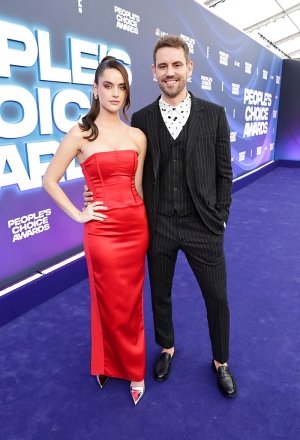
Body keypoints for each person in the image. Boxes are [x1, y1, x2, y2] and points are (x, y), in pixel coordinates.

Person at [85, 35, 237, 397]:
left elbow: (224, 173)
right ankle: (166, 347)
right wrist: (95, 189)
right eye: (163, 66)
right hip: (158, 224)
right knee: (160, 294)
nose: (171, 73)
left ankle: (221, 361)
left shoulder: (214, 115)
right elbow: (122, 167)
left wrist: (222, 217)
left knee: (217, 297)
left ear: (189, 68)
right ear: (153, 72)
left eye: (177, 65)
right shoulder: (141, 120)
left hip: (204, 225)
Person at [43, 56, 148, 406]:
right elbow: (49, 180)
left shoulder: (137, 136)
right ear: (95, 88)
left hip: (135, 227)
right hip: (101, 232)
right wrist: (79, 213)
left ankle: (134, 368)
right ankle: (105, 362)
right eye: (108, 85)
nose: (115, 93)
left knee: (131, 302)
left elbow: (137, 187)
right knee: (105, 300)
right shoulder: (81, 133)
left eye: (121, 87)